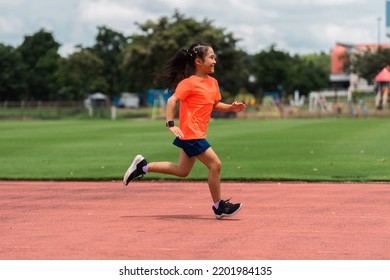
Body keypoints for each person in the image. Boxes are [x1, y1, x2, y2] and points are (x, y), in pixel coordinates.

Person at [123, 42, 246, 219]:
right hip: (190, 134)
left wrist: (230, 108)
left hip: (197, 133)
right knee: (215, 165)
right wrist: (171, 124)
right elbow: (172, 101)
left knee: (182, 171)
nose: (214, 61)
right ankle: (219, 206)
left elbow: (214, 104)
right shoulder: (188, 84)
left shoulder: (213, 83)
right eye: (211, 57)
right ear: (198, 61)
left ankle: (143, 167)